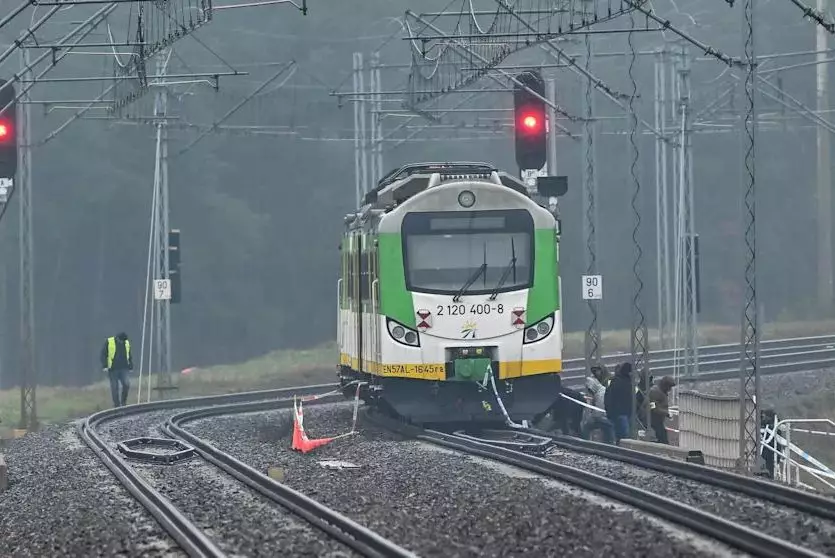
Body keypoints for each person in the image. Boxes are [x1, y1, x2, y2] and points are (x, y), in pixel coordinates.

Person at [581, 364, 614, 443]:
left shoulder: (609, 381)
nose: (596, 373)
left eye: (597, 371)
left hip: (608, 413)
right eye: (594, 371)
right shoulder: (597, 383)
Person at [100, 332, 133, 407]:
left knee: (126, 384)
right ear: (118, 339)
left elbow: (129, 355)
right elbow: (103, 354)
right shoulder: (109, 341)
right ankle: (117, 405)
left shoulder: (126, 343)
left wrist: (131, 366)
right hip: (113, 369)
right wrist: (105, 366)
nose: (122, 342)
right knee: (115, 387)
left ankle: (123, 402)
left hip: (124, 368)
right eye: (121, 341)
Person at [604, 361, 633, 442]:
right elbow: (609, 398)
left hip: (620, 413)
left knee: (618, 436)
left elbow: (608, 397)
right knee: (623, 437)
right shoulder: (622, 382)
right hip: (621, 413)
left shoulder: (618, 381)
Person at [648, 375, 676, 444]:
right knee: (663, 440)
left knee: (662, 437)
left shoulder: (662, 392)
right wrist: (666, 413)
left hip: (658, 421)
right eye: (669, 387)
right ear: (665, 385)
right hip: (653, 420)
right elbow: (653, 407)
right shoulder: (654, 392)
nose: (670, 389)